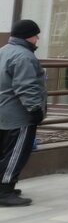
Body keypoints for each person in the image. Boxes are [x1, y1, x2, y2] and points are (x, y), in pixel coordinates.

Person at [0, 19, 46, 207]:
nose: (37, 39)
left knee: (4, 152)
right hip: (18, 115)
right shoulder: (24, 57)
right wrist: (35, 110)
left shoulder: (4, 51)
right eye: (36, 35)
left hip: (3, 112)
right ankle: (5, 191)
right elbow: (26, 87)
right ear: (28, 36)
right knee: (16, 154)